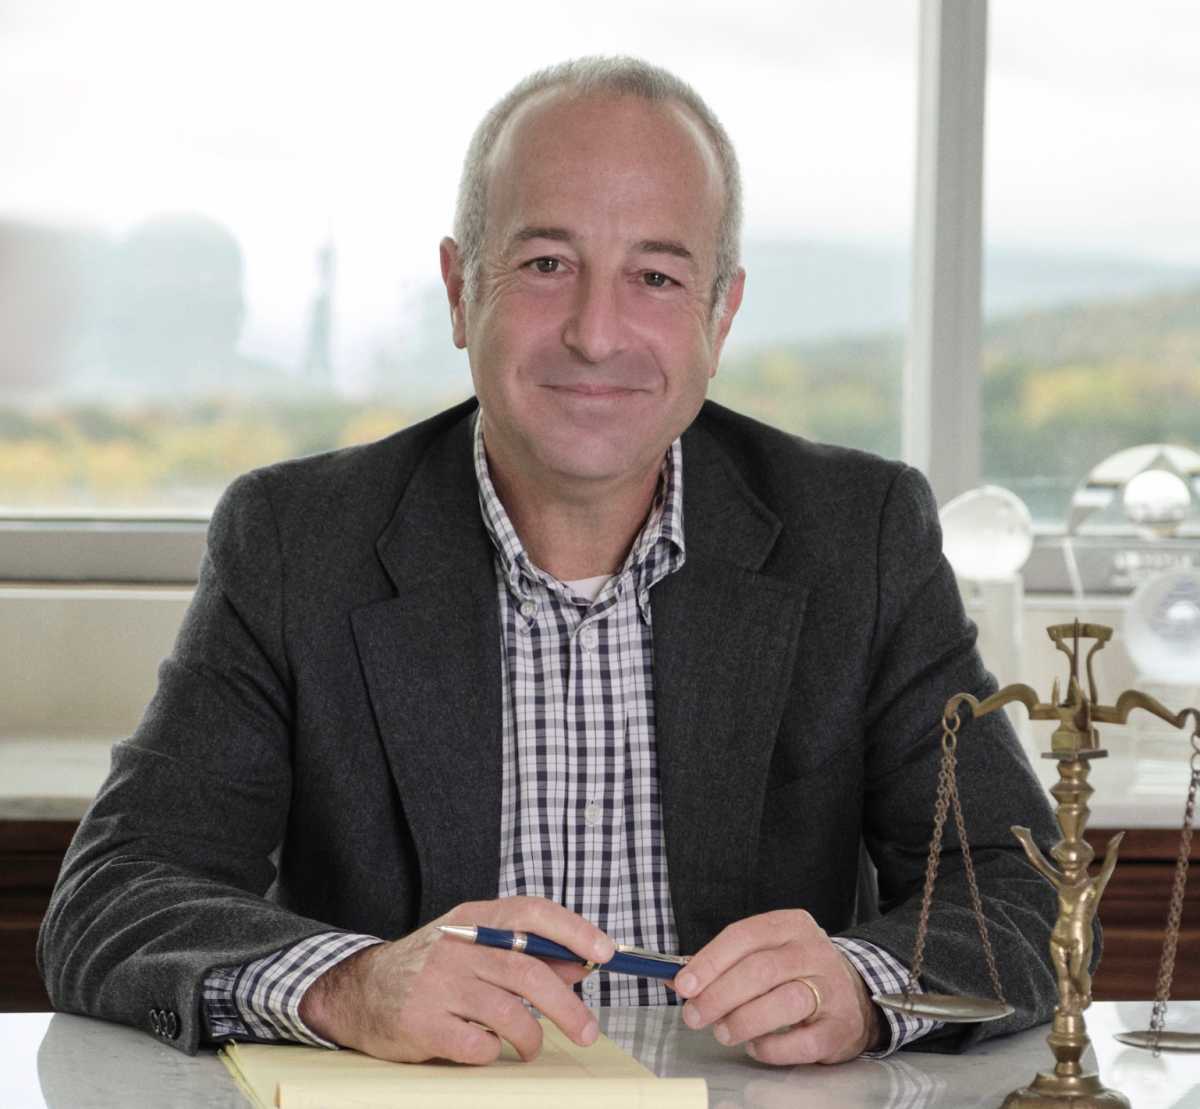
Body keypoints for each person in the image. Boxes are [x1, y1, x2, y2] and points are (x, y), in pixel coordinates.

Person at [39, 56, 1061, 1068]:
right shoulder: (296, 540)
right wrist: (350, 983)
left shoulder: (858, 535)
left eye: (656, 277)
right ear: (459, 290)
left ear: (721, 315)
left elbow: (1024, 892)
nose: (595, 333)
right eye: (545, 265)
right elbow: (113, 894)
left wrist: (864, 985)